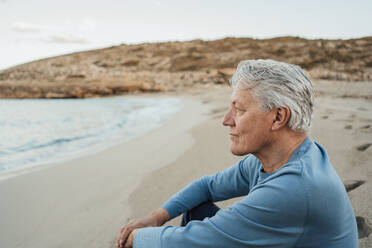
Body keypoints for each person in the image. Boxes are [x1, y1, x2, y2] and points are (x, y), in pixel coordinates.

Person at [116, 59, 358, 248]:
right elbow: (207, 186)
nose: (226, 120)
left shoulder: (293, 188)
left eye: (239, 110)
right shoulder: (279, 157)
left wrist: (134, 237)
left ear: (278, 117)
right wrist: (156, 217)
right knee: (196, 210)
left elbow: (193, 239)